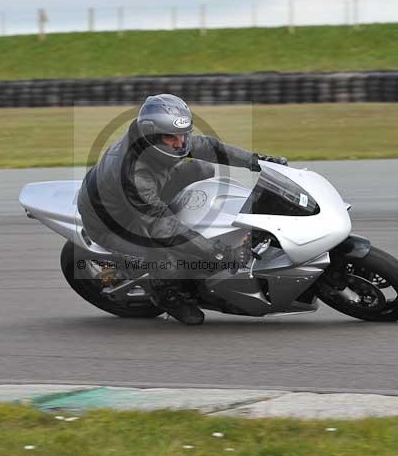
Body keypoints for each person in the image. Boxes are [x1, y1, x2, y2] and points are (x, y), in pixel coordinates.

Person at [77, 94, 287, 325]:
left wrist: (257, 161)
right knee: (165, 256)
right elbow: (164, 229)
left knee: (203, 169)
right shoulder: (133, 174)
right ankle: (165, 295)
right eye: (172, 138)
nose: (180, 144)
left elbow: (210, 147)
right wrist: (219, 254)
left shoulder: (162, 141)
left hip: (144, 194)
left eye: (183, 135)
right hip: (112, 222)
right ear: (151, 137)